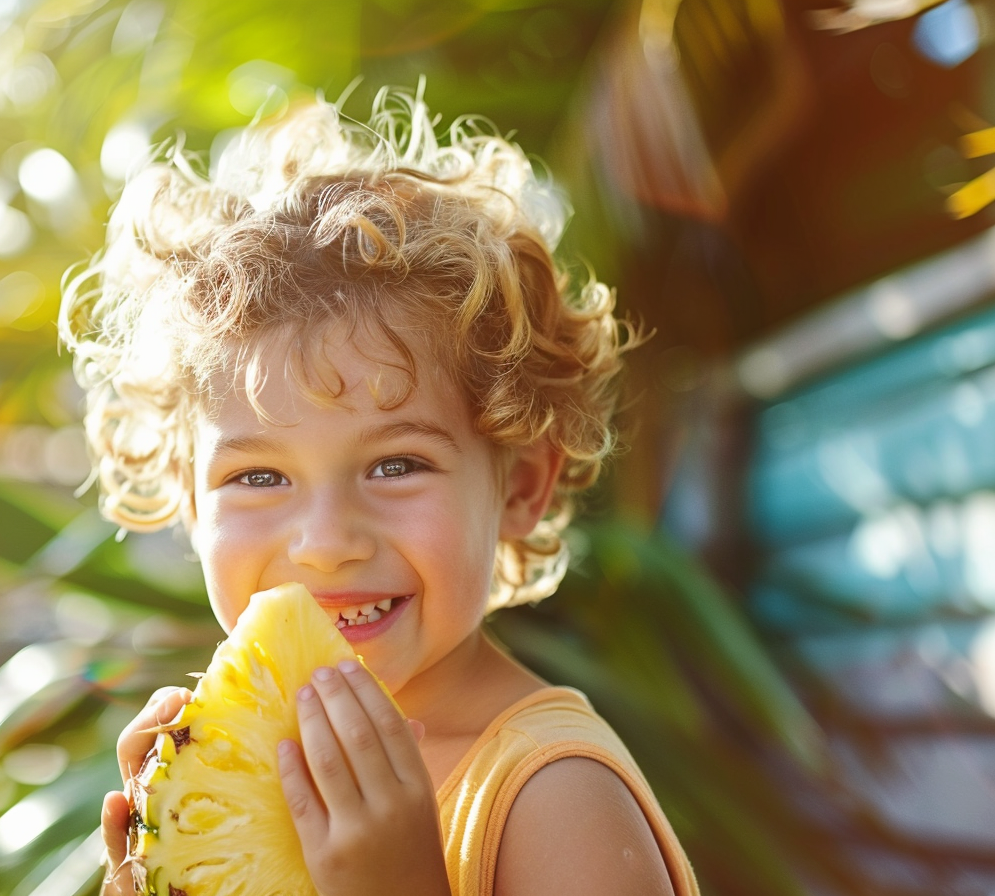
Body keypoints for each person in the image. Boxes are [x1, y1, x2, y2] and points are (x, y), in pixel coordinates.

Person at [60, 85, 700, 896]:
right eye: (258, 477)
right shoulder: (243, 777)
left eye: (395, 466)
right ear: (190, 503)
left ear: (520, 488)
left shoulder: (558, 800)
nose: (327, 542)